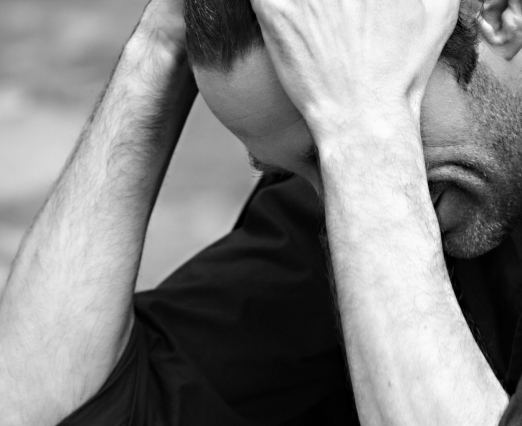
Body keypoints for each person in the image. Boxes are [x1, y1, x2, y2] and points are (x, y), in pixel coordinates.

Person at [2, 0, 522, 424]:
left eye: (360, 100)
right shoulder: (357, 192)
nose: (339, 206)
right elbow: (38, 408)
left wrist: (362, 127)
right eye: (303, 168)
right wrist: (160, 42)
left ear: (501, 17)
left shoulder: (370, 160)